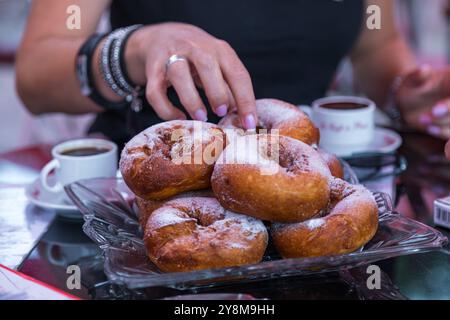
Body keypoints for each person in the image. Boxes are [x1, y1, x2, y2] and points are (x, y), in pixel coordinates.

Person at [16, 0, 450, 150]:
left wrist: (406, 91)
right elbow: (36, 75)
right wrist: (137, 48)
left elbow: (376, 46)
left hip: (310, 197)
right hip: (147, 201)